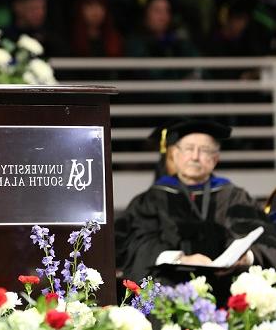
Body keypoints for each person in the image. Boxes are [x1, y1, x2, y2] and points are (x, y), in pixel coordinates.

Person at [116, 119, 276, 303]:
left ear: (215, 158)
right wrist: (179, 258)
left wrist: (246, 257)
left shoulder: (234, 197)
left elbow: (266, 239)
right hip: (169, 289)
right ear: (174, 154)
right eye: (188, 149)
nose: (195, 156)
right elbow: (136, 244)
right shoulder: (152, 199)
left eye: (204, 150)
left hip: (228, 290)